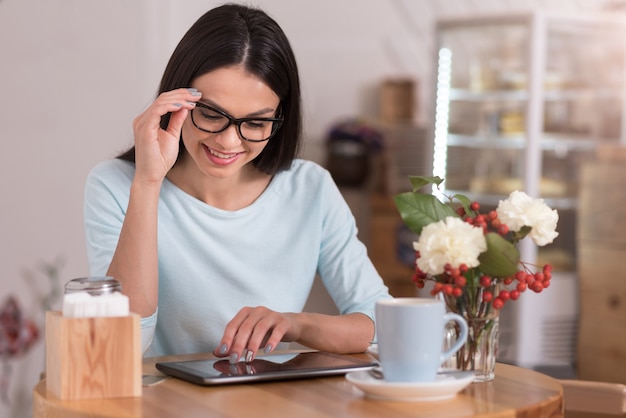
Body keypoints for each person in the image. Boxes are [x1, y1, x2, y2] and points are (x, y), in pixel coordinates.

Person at [84, 3, 391, 363]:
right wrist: (148, 182)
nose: (229, 142)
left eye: (257, 123)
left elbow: (382, 324)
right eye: (212, 115)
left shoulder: (310, 189)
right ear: (175, 100)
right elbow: (124, 345)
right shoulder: (117, 185)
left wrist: (294, 325)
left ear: (279, 119)